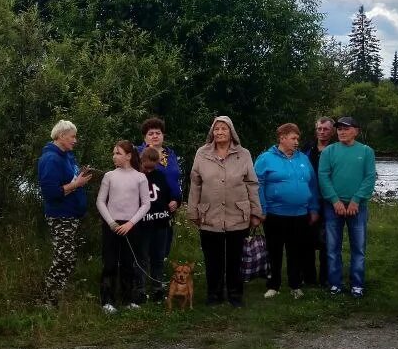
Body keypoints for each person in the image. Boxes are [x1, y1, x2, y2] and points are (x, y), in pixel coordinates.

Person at [187, 115, 262, 307]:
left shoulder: (243, 154)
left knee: (235, 258)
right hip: (209, 214)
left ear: (231, 132)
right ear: (212, 132)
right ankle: (214, 294)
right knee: (213, 259)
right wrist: (192, 212)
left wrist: (256, 212)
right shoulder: (202, 153)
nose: (219, 132)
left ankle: (235, 295)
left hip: (238, 214)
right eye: (216, 129)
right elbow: (195, 184)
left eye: (224, 129)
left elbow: (252, 183)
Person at [254, 123, 319, 299]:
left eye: (298, 138)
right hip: (274, 214)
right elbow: (256, 184)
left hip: (300, 214)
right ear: (282, 138)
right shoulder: (266, 158)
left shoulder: (303, 159)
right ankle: (273, 285)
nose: (297, 142)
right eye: (293, 138)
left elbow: (312, 185)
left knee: (296, 251)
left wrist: (313, 208)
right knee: (274, 251)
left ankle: (295, 285)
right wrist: (261, 208)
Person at [37, 120, 95, 306]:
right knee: (63, 257)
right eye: (72, 137)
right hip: (60, 215)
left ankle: (57, 295)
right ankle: (48, 300)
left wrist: (80, 177)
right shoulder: (50, 159)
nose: (75, 140)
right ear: (61, 136)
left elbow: (70, 179)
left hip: (72, 214)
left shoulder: (66, 156)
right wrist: (76, 184)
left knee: (68, 258)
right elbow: (50, 193)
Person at [318, 116, 376, 298]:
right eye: (340, 129)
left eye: (346, 128)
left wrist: (356, 200)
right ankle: (335, 283)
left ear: (356, 131)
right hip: (333, 207)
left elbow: (369, 178)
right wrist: (335, 200)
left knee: (358, 247)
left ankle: (357, 284)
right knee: (332, 247)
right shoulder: (329, 151)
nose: (342, 132)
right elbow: (323, 176)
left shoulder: (366, 152)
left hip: (357, 207)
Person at [95, 139, 151, 313]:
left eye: (118, 153)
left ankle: (127, 300)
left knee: (128, 263)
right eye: (114, 153)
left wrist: (131, 223)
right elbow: (100, 201)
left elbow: (146, 204)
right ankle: (107, 301)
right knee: (110, 263)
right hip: (111, 225)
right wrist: (111, 222)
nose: (114, 156)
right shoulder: (109, 176)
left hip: (131, 226)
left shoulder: (140, 177)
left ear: (128, 156)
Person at [136, 146, 175, 305]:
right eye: (147, 165)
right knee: (142, 258)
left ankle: (158, 290)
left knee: (158, 258)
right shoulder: (137, 177)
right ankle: (139, 291)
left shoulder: (161, 176)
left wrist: (174, 201)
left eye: (153, 165)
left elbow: (169, 194)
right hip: (143, 225)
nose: (149, 169)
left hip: (161, 223)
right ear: (141, 161)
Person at [302, 117, 336, 287]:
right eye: (319, 128)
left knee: (327, 241)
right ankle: (308, 277)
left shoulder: (337, 149)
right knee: (307, 240)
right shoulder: (307, 148)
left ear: (332, 131)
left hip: (330, 200)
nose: (322, 132)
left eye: (326, 129)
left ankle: (325, 278)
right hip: (308, 199)